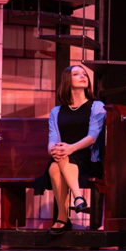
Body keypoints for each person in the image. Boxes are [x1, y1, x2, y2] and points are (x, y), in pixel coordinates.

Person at [34, 65, 105, 234]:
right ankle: (77, 198)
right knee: (55, 163)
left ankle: (63, 218)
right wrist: (53, 150)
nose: (83, 76)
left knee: (57, 163)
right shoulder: (57, 111)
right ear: (67, 80)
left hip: (88, 157)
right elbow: (53, 139)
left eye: (84, 74)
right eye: (76, 74)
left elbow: (93, 136)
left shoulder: (96, 106)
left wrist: (70, 148)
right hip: (64, 156)